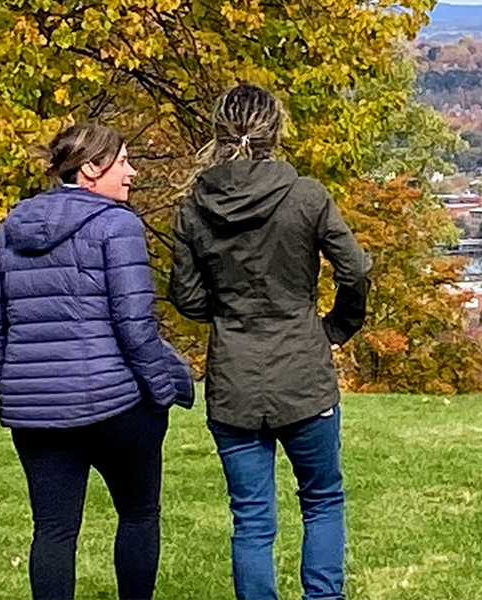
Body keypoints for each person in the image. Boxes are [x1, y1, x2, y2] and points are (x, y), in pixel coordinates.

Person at [169, 83, 372, 600]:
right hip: (303, 371)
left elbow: (187, 298)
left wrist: (229, 312)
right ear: (275, 131)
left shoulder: (194, 207)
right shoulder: (306, 196)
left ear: (219, 131)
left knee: (252, 518)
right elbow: (355, 270)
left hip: (233, 378)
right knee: (322, 499)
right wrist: (337, 326)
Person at [0, 123, 191, 600]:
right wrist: (161, 393)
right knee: (138, 514)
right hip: (117, 408)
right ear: (92, 169)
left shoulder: (12, 226)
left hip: (37, 417)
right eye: (123, 162)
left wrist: (17, 387)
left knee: (52, 532)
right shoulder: (119, 224)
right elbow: (136, 327)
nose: (131, 173)